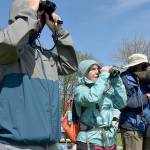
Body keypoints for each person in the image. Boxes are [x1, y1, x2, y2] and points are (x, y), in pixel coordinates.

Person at [0, 0, 78, 149]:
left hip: (50, 145)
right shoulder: (6, 50)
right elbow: (10, 43)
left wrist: (58, 30)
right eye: (37, 13)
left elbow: (70, 65)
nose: (39, 19)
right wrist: (29, 11)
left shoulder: (44, 56)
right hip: (13, 145)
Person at [74, 59, 127, 150]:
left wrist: (116, 80)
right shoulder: (80, 89)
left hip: (110, 140)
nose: (97, 71)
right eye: (93, 69)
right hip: (89, 141)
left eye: (98, 69)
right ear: (84, 73)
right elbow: (92, 98)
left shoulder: (105, 89)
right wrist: (104, 76)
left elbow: (121, 103)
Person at [119, 53, 150, 150]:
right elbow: (126, 102)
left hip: (147, 126)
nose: (146, 67)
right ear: (135, 65)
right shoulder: (123, 78)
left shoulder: (146, 78)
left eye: (146, 65)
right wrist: (146, 97)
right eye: (144, 65)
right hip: (132, 128)